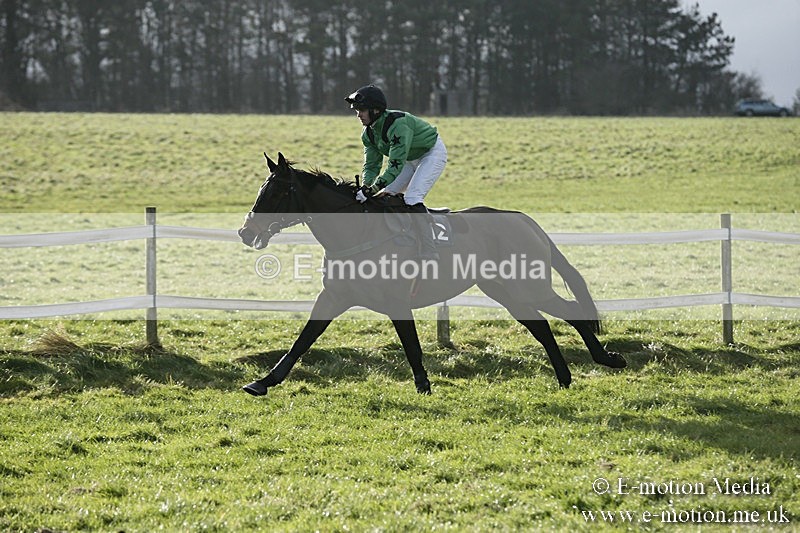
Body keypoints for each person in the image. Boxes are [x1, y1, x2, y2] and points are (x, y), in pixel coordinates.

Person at [345, 84, 447, 260]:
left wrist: (372, 189)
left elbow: (394, 165)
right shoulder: (368, 134)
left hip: (431, 154)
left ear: (376, 110)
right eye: (357, 110)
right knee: (385, 194)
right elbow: (371, 166)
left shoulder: (398, 124)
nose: (358, 115)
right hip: (410, 158)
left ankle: (430, 249)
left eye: (362, 110)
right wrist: (366, 187)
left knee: (412, 197)